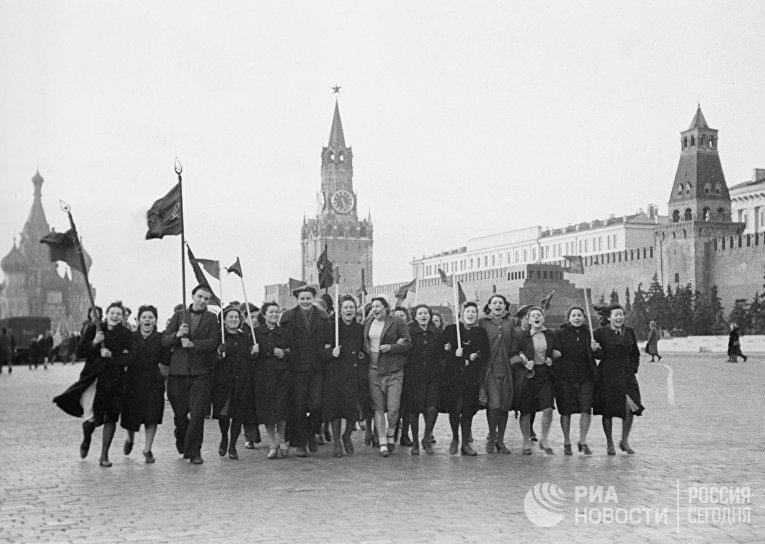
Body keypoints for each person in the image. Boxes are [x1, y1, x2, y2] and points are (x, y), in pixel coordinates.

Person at [53, 301, 136, 467]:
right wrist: (94, 343)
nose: (115, 316)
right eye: (112, 313)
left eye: (118, 314)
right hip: (93, 378)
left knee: (111, 417)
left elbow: (132, 356)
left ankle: (104, 455)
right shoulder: (94, 329)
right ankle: (86, 438)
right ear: (106, 314)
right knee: (90, 417)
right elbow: (80, 352)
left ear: (122, 317)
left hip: (114, 380)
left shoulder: (126, 334)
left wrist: (112, 355)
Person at [162, 284, 220, 465]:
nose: (202, 301)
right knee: (180, 415)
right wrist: (177, 335)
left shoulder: (211, 319)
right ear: (193, 296)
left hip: (199, 373)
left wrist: (194, 345)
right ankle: (181, 438)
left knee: (197, 414)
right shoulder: (179, 315)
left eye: (206, 298)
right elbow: (164, 339)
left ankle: (195, 451)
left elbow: (213, 341)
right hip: (177, 373)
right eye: (200, 296)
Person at [279, 285, 330, 457]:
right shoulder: (288, 317)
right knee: (299, 406)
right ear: (297, 300)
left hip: (317, 367)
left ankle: (310, 432)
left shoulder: (323, 316)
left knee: (317, 405)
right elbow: (284, 340)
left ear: (313, 299)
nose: (305, 302)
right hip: (296, 367)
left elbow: (328, 339)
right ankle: (301, 443)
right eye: (302, 299)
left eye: (308, 298)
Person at [592, 304, 644, 455]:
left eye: (621, 314)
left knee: (631, 406)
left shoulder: (629, 332)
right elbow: (598, 356)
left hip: (627, 375)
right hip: (608, 375)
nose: (619, 317)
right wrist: (595, 349)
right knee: (608, 410)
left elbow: (635, 353)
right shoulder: (600, 333)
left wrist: (633, 367)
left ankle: (624, 440)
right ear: (609, 317)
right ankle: (609, 443)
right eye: (616, 314)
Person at [120, 305, 170, 463]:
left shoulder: (161, 338)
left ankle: (147, 450)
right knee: (131, 416)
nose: (147, 320)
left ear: (155, 320)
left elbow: (166, 360)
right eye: (144, 317)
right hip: (133, 381)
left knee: (152, 417)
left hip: (153, 382)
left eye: (151, 317)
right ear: (139, 320)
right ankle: (130, 438)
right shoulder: (130, 337)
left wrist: (174, 346)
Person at [364, 296, 411, 457]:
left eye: (378, 306)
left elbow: (407, 342)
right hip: (374, 370)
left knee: (393, 409)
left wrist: (392, 347)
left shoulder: (397, 322)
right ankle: (383, 441)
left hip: (393, 371)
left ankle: (391, 432)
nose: (375, 309)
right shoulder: (368, 322)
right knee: (378, 407)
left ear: (386, 308)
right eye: (373, 307)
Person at [440, 301, 489, 456]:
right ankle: (455, 438)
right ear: (462, 313)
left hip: (471, 377)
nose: (470, 314)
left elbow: (484, 353)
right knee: (454, 409)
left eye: (473, 312)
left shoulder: (479, 332)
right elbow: (441, 351)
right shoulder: (451, 330)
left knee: (468, 411)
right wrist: (454, 354)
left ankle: (465, 444)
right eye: (468, 311)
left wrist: (473, 357)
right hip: (453, 377)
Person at [212, 306, 258, 460]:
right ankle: (224, 437)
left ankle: (232, 445)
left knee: (238, 415)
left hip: (242, 382)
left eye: (236, 317)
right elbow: (210, 360)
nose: (233, 320)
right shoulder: (218, 337)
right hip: (223, 382)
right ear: (224, 320)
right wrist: (219, 352)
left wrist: (253, 353)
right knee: (223, 415)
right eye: (230, 317)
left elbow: (250, 359)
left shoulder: (245, 336)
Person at [321, 295, 365, 457]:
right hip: (335, 372)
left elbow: (364, 348)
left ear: (355, 310)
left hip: (353, 372)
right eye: (346, 308)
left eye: (351, 308)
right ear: (340, 311)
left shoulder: (360, 328)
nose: (349, 310)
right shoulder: (332, 327)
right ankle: (337, 443)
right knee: (336, 409)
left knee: (351, 409)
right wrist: (330, 352)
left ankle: (347, 435)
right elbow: (321, 350)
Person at [511, 307, 559, 455]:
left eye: (539, 315)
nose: (536, 318)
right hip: (527, 376)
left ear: (543, 318)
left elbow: (557, 351)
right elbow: (512, 356)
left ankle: (544, 440)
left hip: (545, 375)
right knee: (526, 411)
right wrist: (523, 361)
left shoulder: (551, 335)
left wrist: (553, 359)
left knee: (548, 408)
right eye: (533, 316)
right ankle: (526, 441)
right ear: (529, 320)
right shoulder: (522, 336)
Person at [553, 306, 598, 455]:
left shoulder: (590, 334)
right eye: (574, 315)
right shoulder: (560, 333)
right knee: (565, 411)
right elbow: (552, 349)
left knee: (586, 409)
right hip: (564, 378)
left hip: (586, 378)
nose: (577, 318)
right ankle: (567, 441)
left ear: (584, 318)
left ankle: (583, 441)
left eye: (580, 315)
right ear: (568, 318)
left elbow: (599, 354)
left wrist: (596, 348)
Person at [479, 294, 518, 454]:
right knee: (494, 405)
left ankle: (501, 441)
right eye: (494, 303)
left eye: (501, 303)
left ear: (505, 306)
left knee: (504, 406)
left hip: (507, 370)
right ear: (489, 306)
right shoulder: (483, 323)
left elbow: (516, 345)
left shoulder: (511, 323)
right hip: (490, 370)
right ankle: (492, 436)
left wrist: (516, 360)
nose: (497, 305)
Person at [254, 301, 292, 459]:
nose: (274, 315)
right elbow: (248, 354)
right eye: (271, 312)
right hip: (263, 376)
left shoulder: (284, 333)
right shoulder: (255, 332)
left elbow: (293, 352)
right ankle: (272, 445)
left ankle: (282, 439)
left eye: (277, 312)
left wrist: (284, 354)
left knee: (281, 408)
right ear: (264, 314)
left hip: (281, 375)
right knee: (267, 410)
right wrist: (253, 351)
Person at [404, 304, 442, 455]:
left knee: (432, 407)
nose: (423, 316)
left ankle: (426, 437)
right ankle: (414, 441)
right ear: (415, 316)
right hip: (414, 376)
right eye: (420, 313)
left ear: (430, 315)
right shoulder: (410, 332)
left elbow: (442, 352)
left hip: (433, 376)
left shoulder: (437, 332)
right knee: (414, 410)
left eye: (426, 313)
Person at [239, 302, 262, 449]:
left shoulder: (262, 331)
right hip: (246, 374)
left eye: (257, 317)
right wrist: (250, 351)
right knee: (247, 406)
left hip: (261, 373)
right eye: (251, 317)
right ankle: (250, 436)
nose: (254, 320)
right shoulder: (242, 333)